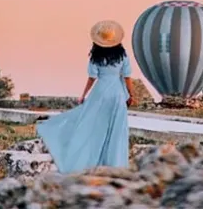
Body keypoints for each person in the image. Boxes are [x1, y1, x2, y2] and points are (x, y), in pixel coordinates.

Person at [36, 20, 135, 172]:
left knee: (92, 125)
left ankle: (90, 161)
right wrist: (130, 94)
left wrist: (84, 95)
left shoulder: (96, 57)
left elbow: (92, 78)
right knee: (115, 130)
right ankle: (114, 164)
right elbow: (127, 76)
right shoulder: (123, 56)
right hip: (117, 93)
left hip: (100, 92)